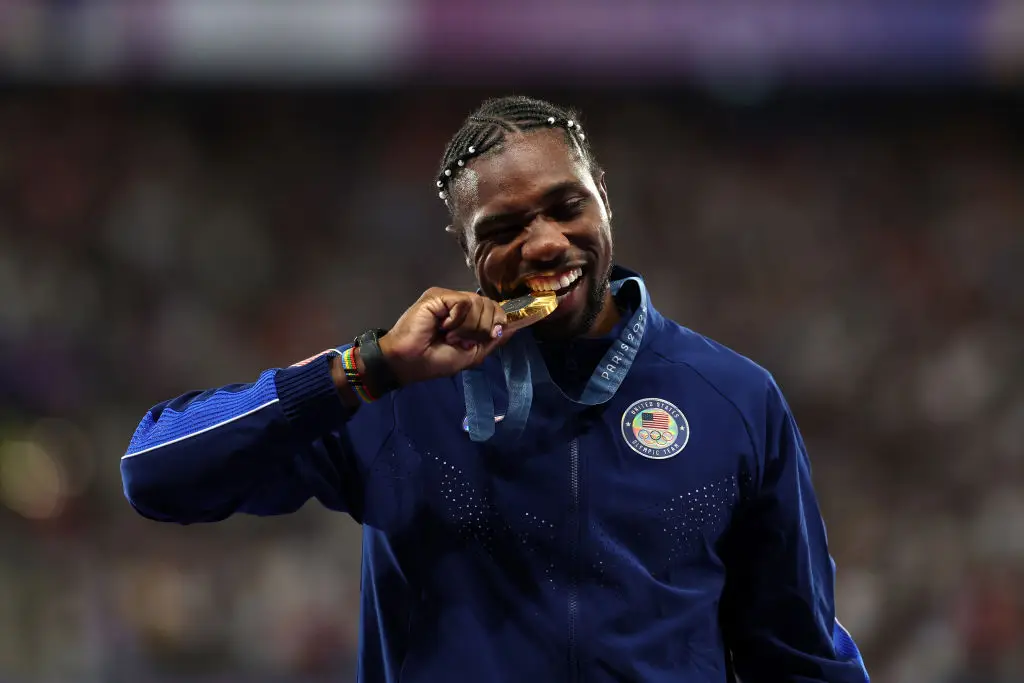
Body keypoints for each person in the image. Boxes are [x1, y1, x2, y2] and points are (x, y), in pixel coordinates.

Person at [121, 95, 869, 682]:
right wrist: (366, 369)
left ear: (603, 196)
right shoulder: (398, 393)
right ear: (467, 246)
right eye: (504, 226)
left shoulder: (733, 398)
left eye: (566, 205)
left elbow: (800, 656)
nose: (545, 242)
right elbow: (154, 472)